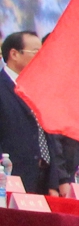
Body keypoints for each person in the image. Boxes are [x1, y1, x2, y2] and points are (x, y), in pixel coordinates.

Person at [0, 29, 48, 190]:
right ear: (14, 54)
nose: (40, 56)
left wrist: (56, 178)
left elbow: (50, 136)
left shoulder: (39, 89)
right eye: (35, 51)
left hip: (42, 179)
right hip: (10, 177)